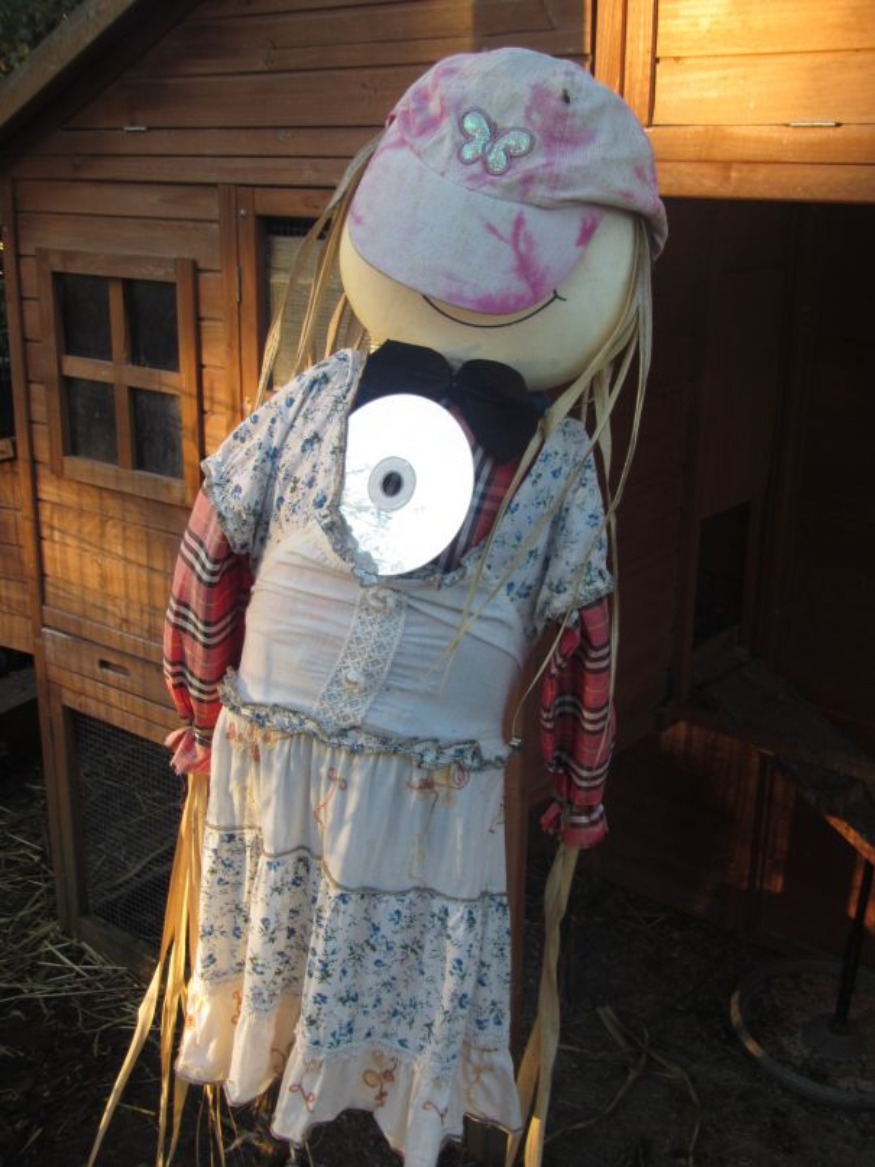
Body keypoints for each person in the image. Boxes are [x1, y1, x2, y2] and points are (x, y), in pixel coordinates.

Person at [162, 48, 666, 1167]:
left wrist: (197, 707)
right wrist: (576, 797)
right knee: (303, 968)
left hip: (410, 803)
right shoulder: (331, 404)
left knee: (356, 982)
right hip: (298, 773)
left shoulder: (548, 462)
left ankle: (337, 1107)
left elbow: (208, 550)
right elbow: (586, 647)